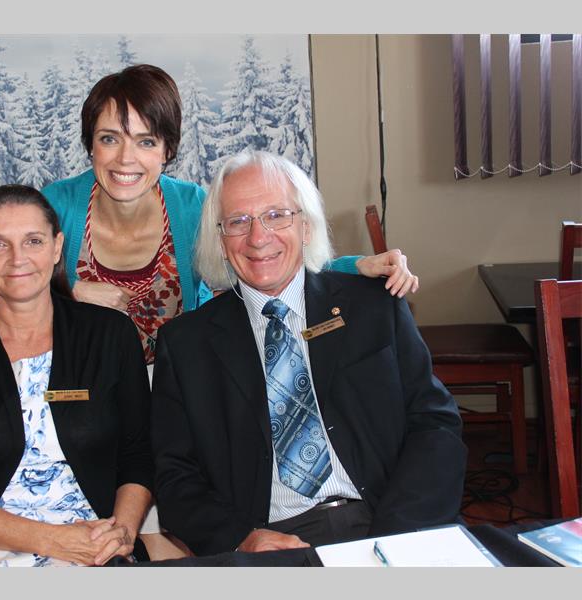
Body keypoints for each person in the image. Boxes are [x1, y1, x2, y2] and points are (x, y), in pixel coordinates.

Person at [151, 151, 467, 557]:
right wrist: (240, 538)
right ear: (221, 241)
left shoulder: (373, 307)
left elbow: (435, 424)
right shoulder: (186, 345)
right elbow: (175, 478)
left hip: (391, 517)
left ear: (305, 226)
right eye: (238, 221)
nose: (258, 237)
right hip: (272, 541)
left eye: (276, 215)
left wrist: (397, 535)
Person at [41, 64, 419, 364]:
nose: (126, 158)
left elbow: (265, 261)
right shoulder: (56, 206)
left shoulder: (192, 206)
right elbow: (5, 292)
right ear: (90, 144)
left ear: (167, 151)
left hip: (174, 384)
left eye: (146, 141)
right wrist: (67, 291)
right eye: (109, 138)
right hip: (85, 389)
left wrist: (359, 267)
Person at [0, 185, 153, 567]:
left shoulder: (110, 335)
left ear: (56, 247)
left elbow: (138, 454)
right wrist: (55, 541)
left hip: (93, 540)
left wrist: (122, 534)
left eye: (33, 241)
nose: (18, 259)